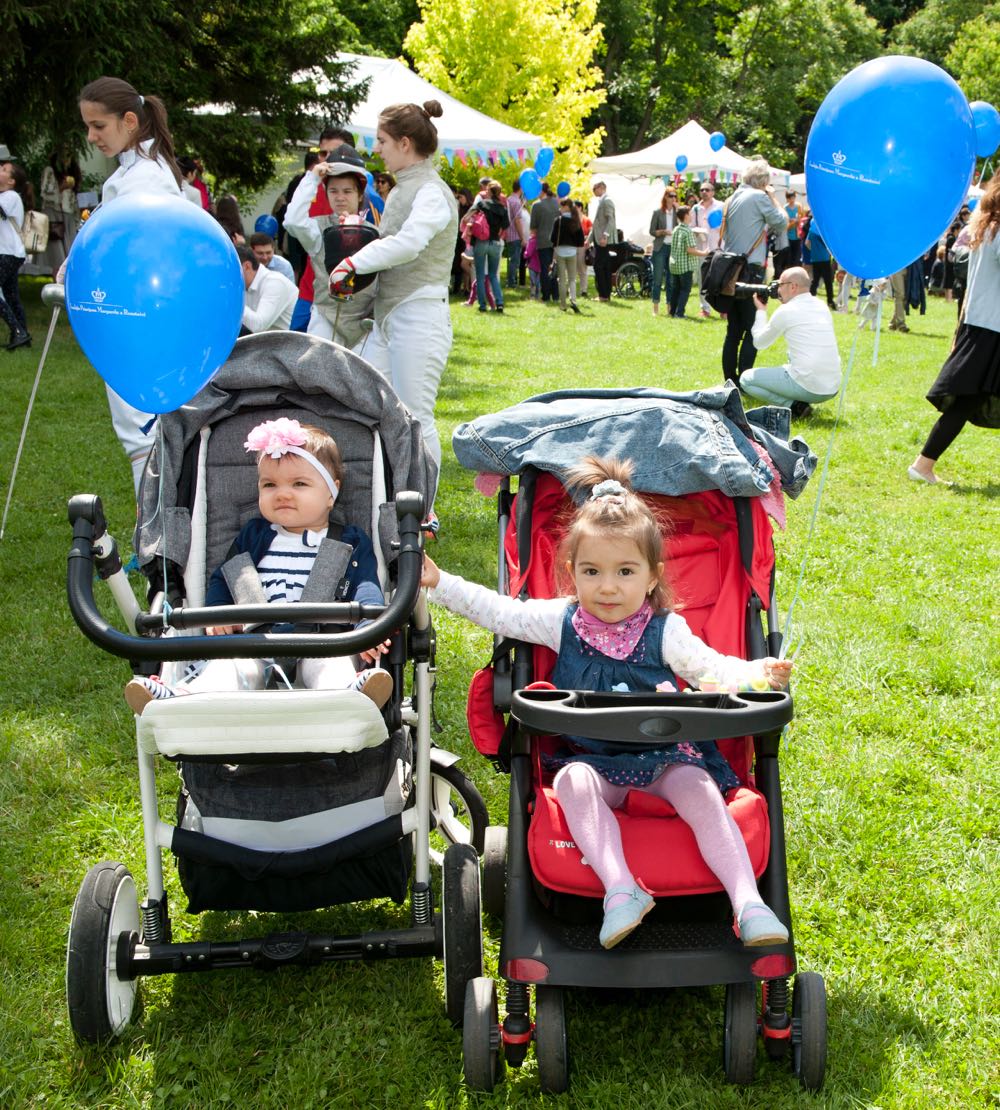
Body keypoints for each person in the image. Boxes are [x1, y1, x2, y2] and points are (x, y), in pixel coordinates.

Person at [421, 455, 793, 949]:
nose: (608, 587)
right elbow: (501, 612)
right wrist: (439, 583)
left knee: (700, 788)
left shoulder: (667, 632)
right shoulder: (561, 622)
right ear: (572, 571)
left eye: (625, 571)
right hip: (593, 759)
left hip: (665, 758)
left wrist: (758, 672)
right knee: (573, 781)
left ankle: (748, 902)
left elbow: (713, 670)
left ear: (652, 576)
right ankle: (621, 889)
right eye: (592, 571)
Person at [124, 419, 392, 715]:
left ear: (331, 493)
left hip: (322, 640)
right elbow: (226, 577)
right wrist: (218, 612)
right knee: (229, 669)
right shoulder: (253, 536)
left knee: (332, 665)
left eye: (299, 484)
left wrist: (370, 626)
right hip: (254, 640)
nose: (283, 493)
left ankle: (350, 695)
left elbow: (366, 586)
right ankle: (179, 698)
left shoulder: (350, 541)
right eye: (269, 485)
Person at [326, 101, 459, 479]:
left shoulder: (432, 191)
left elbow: (409, 243)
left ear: (404, 143)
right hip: (389, 317)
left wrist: (354, 262)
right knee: (363, 396)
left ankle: (423, 512)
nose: (377, 149)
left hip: (420, 316)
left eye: (382, 140)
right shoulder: (405, 189)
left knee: (417, 416)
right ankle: (387, 491)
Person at [72, 76, 184, 493]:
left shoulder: (146, 179)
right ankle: (157, 538)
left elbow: (130, 250)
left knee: (144, 434)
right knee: (140, 433)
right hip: (132, 315)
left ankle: (157, 544)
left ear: (130, 121)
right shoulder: (134, 172)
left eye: (99, 126)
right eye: (88, 126)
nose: (91, 136)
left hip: (140, 318)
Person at [909, 173, 1000, 485]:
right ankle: (922, 465)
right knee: (965, 401)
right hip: (992, 329)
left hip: (979, 325)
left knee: (966, 401)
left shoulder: (984, 224)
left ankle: (923, 464)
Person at [284, 143, 376, 346]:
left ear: (360, 194)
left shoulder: (374, 232)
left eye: (347, 191)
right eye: (333, 191)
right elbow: (292, 221)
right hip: (325, 318)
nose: (340, 197)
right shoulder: (319, 229)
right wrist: (313, 178)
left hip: (364, 325)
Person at [719, 159, 789, 385]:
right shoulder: (759, 197)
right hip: (751, 270)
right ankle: (744, 380)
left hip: (730, 270)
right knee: (752, 329)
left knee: (733, 331)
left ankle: (730, 380)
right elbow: (781, 222)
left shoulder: (732, 198)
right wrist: (773, 198)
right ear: (763, 181)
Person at [739, 267, 842, 415]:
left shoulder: (786, 310)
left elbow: (759, 343)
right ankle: (799, 399)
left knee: (746, 379)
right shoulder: (821, 305)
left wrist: (761, 311)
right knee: (792, 355)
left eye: (781, 285)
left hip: (810, 387)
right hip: (832, 387)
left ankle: (795, 406)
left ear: (793, 286)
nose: (778, 289)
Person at [0, 161, 32, 350]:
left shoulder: (10, 196)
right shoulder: (8, 196)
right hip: (12, 252)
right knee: (11, 295)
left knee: (10, 295)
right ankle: (22, 334)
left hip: (7, 252)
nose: (0, 170)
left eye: (4, 170)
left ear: (11, 181)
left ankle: (18, 331)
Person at [466, 178, 509, 313]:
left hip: (481, 242)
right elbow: (505, 226)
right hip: (495, 243)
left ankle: (483, 305)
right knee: (492, 275)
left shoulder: (482, 204)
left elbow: (469, 214)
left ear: (489, 191)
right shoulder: (502, 208)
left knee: (479, 275)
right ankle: (500, 302)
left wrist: (467, 224)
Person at [237, 246, 297, 333]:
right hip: (270, 340)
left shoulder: (275, 283)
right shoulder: (246, 284)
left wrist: (233, 300)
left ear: (247, 266)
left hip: (292, 342)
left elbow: (258, 326)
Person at [667, 205, 707, 318]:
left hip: (675, 265)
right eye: (690, 214)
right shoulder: (688, 231)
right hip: (685, 267)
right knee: (685, 290)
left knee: (676, 290)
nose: (691, 216)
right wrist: (704, 253)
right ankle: (679, 313)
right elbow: (690, 250)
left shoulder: (676, 229)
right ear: (685, 216)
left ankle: (672, 312)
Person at [691, 181, 723, 318]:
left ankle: (723, 309)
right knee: (703, 278)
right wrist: (696, 231)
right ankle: (705, 308)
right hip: (702, 248)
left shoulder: (721, 206)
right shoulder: (695, 209)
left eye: (707, 190)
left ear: (713, 192)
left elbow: (726, 225)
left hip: (718, 247)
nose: (704, 192)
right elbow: (690, 226)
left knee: (721, 278)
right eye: (702, 190)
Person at [552, 196, 585, 312]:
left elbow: (553, 238)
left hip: (560, 251)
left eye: (561, 206)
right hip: (572, 251)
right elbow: (581, 239)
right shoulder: (575, 220)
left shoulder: (559, 221)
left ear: (565, 207)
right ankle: (573, 300)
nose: (560, 208)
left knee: (562, 279)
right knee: (572, 278)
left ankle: (563, 304)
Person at [529, 182, 560, 303]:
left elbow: (533, 227)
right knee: (555, 268)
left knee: (545, 268)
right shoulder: (557, 202)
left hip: (543, 240)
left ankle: (546, 295)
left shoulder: (537, 205)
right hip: (557, 241)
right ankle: (556, 294)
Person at [648, 187, 676, 316]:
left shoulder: (677, 212)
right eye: (671, 195)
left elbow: (687, 222)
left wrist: (679, 207)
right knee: (658, 278)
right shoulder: (658, 212)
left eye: (675, 196)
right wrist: (663, 232)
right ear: (665, 197)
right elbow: (652, 231)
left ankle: (670, 308)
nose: (673, 198)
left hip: (673, 248)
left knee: (671, 280)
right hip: (660, 247)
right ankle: (655, 307)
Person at [590, 178, 617, 302]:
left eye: (594, 188)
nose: (593, 191)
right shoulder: (602, 201)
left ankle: (604, 295)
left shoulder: (607, 201)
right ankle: (605, 294)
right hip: (598, 238)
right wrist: (589, 239)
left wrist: (605, 235)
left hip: (603, 240)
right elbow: (597, 224)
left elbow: (610, 220)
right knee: (602, 266)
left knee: (600, 267)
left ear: (601, 187)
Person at [805, 222, 835, 308]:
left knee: (815, 280)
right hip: (825, 258)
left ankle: (809, 299)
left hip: (815, 258)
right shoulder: (824, 231)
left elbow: (807, 243)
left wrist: (813, 251)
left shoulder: (811, 231)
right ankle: (830, 301)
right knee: (828, 281)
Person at [504, 175, 526, 288]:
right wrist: (522, 237)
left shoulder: (508, 199)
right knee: (515, 260)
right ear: (521, 188)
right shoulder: (516, 202)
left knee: (511, 259)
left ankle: (511, 280)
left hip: (508, 234)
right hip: (515, 235)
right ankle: (511, 282)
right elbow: (517, 221)